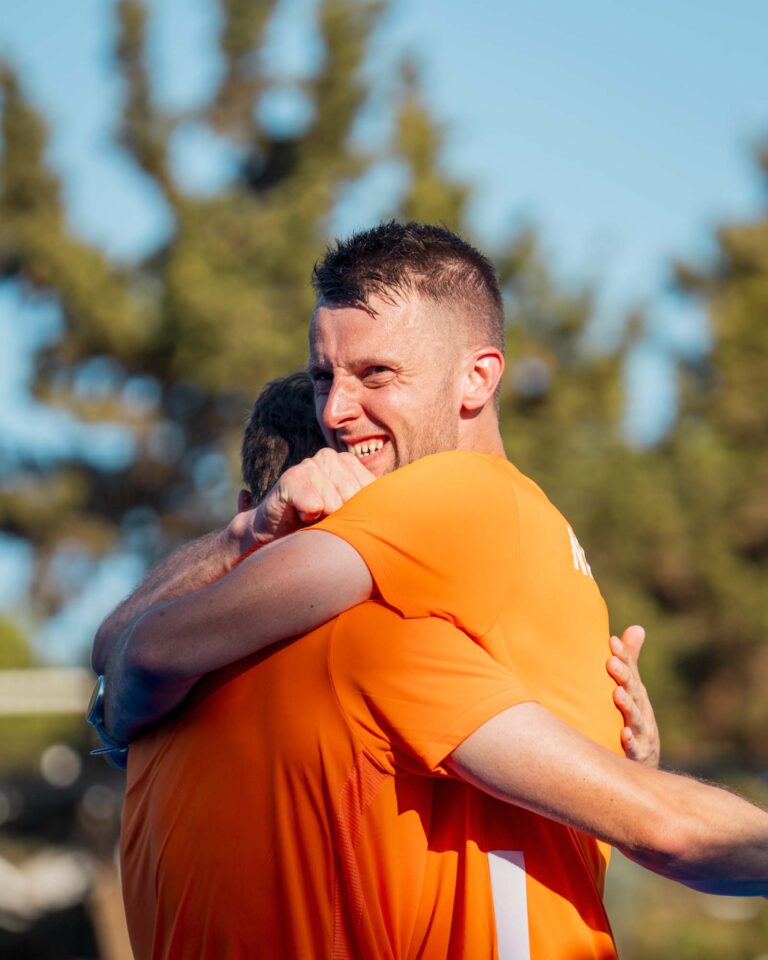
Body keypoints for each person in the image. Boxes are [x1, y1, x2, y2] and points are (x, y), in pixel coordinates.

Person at [93, 223, 768, 958]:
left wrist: (120, 696)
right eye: (323, 379)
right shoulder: (386, 632)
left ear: (478, 377)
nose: (336, 411)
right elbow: (663, 827)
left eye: (376, 374)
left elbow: (131, 649)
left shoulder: (453, 508)